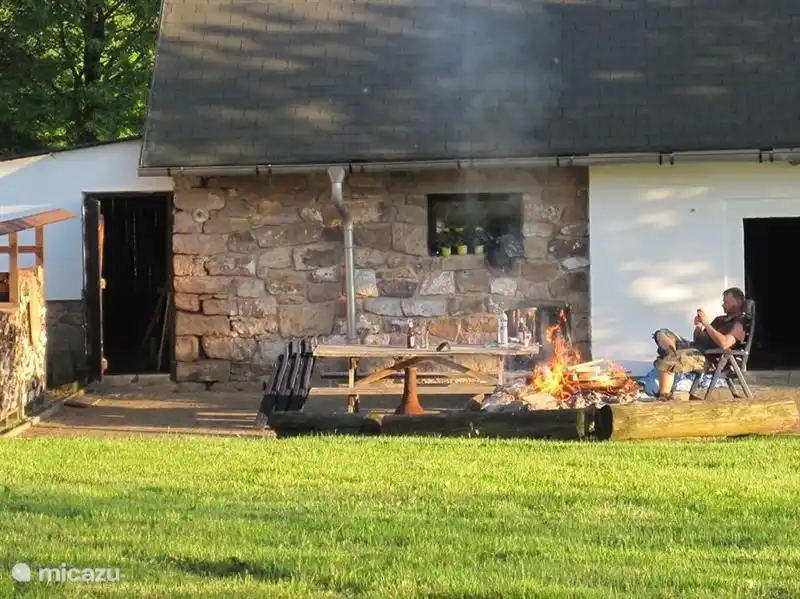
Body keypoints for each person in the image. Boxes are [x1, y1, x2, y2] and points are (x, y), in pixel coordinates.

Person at [652, 287, 748, 400]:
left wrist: (707, 324)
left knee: (667, 359)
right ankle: (671, 354)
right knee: (663, 333)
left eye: (725, 301)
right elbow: (699, 339)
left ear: (737, 302)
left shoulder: (740, 322)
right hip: (696, 348)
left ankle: (664, 395)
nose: (723, 304)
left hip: (711, 358)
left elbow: (725, 343)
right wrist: (698, 327)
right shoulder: (720, 319)